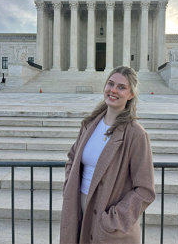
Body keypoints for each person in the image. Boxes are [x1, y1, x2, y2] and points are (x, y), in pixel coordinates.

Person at [60, 66, 155, 244]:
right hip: (78, 208)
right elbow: (72, 158)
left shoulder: (136, 135)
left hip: (108, 218)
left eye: (121, 87)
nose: (113, 90)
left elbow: (145, 190)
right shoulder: (90, 124)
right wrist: (69, 186)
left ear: (131, 94)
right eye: (110, 84)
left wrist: (114, 219)